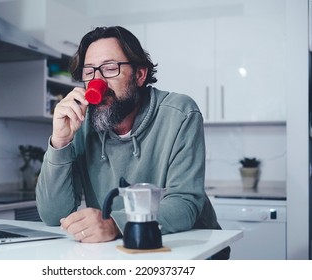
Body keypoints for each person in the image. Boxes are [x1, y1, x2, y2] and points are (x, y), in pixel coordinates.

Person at [36, 26, 230, 259]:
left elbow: (184, 205)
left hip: (188, 247)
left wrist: (115, 224)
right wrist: (60, 142)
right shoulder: (80, 122)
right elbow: (52, 214)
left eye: (109, 68)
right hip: (120, 252)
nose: (98, 82)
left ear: (139, 75)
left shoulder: (180, 113)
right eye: (89, 72)